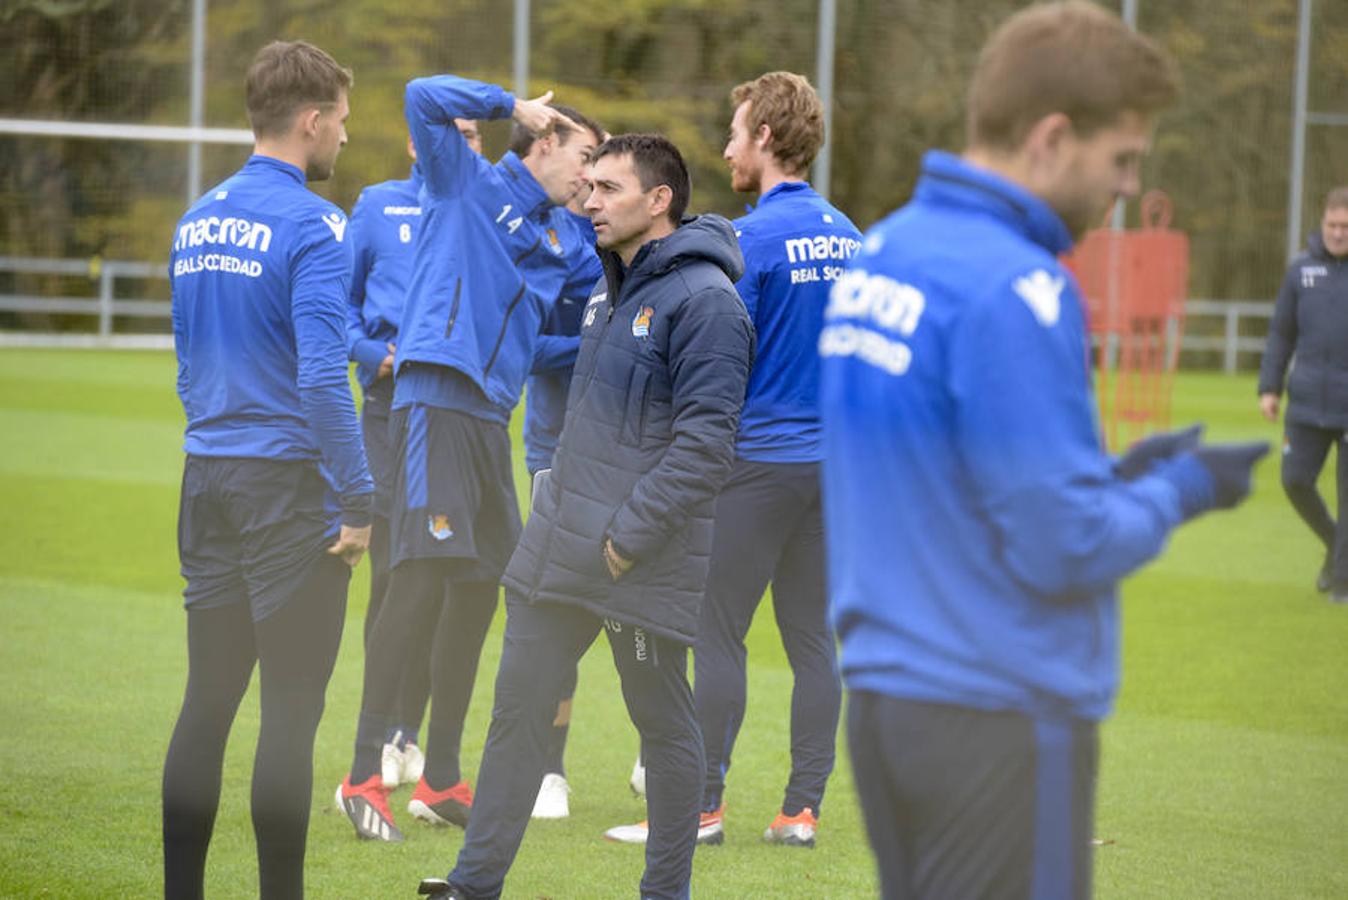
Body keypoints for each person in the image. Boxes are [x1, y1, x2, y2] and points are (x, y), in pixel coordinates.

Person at [818, 4, 1269, 897]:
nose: (1126, 191)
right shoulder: (1016, 286)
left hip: (884, 705)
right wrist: (1182, 487)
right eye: (1122, 162)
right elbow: (1065, 543)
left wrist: (1109, 477)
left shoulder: (883, 252)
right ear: (1054, 137)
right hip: (998, 711)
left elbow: (948, 480)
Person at [417, 133, 754, 900]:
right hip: (558, 550)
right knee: (518, 709)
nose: (589, 200)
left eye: (607, 188)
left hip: (633, 558)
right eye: (588, 185)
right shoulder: (611, 289)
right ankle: (474, 885)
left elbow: (706, 446)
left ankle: (665, 892)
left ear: (659, 200)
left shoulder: (708, 303)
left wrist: (625, 543)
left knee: (662, 724)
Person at [336, 72, 603, 842]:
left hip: (489, 420)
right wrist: (509, 105)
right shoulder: (468, 183)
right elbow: (420, 92)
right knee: (417, 581)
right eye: (586, 155)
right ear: (545, 142)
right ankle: (364, 773)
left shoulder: (563, 236)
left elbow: (583, 312)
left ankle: (443, 777)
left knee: (484, 589)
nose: (591, 174)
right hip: (436, 402)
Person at [605, 71, 856, 850]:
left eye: (736, 131)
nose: (726, 147)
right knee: (814, 640)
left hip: (755, 464)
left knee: (716, 633)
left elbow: (711, 356)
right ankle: (800, 810)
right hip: (835, 467)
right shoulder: (852, 236)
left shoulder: (750, 242)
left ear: (767, 140)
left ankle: (702, 807)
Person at [162, 40, 372, 899]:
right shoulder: (314, 223)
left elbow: (185, 358)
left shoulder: (197, 217)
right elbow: (325, 375)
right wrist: (359, 496)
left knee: (207, 704)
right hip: (286, 488)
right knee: (290, 715)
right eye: (344, 124)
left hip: (205, 474)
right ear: (312, 120)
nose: (345, 142)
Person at [344, 119, 483, 792]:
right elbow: (334, 309)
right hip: (389, 411)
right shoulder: (375, 206)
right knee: (394, 573)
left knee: (448, 575)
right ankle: (379, 739)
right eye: (452, 132)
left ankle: (409, 734)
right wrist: (377, 355)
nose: (466, 144)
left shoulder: (483, 215)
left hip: (457, 418)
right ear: (413, 144)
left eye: (475, 135)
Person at [1258, 186, 1348, 604]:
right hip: (1307, 401)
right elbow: (1281, 334)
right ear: (1322, 222)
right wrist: (1270, 387)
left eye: (1346, 227)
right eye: (1332, 225)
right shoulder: (1301, 272)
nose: (1338, 233)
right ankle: (1336, 545)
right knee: (1294, 480)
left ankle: (1343, 584)